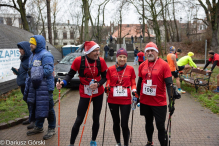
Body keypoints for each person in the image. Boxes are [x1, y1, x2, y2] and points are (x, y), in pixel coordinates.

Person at [56, 41, 108, 146]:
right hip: (85, 93)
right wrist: (63, 82)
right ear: (88, 51)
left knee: (96, 117)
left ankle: (93, 140)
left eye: (98, 50)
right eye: (95, 51)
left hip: (98, 93)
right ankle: (71, 143)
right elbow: (70, 75)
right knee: (79, 119)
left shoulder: (101, 61)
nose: (98, 53)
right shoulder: (78, 61)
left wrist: (98, 84)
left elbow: (105, 76)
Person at [137, 42, 173, 146]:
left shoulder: (164, 65)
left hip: (159, 102)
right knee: (148, 123)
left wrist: (171, 102)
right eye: (147, 51)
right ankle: (149, 142)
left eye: (152, 50)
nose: (150, 53)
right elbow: (140, 81)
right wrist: (137, 97)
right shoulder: (142, 65)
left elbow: (169, 84)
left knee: (160, 125)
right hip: (145, 101)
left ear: (157, 52)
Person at [23, 35, 56, 140]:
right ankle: (39, 126)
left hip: (46, 88)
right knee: (37, 107)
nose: (30, 45)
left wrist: (32, 72)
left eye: (32, 43)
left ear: (38, 44)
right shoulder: (33, 55)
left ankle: (51, 128)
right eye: (30, 43)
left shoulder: (46, 55)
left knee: (49, 109)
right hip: (35, 87)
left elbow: (48, 71)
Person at [105, 48, 137, 146]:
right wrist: (107, 87)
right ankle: (118, 142)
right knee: (116, 122)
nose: (122, 59)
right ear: (116, 57)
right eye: (120, 57)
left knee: (124, 124)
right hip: (112, 99)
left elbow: (133, 83)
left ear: (126, 58)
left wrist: (134, 90)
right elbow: (108, 82)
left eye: (124, 57)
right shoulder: (110, 69)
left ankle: (126, 144)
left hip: (126, 100)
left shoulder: (131, 69)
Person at [12, 41, 34, 128]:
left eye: (21, 49)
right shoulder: (23, 58)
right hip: (23, 85)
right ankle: (30, 118)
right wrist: (18, 71)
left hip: (27, 85)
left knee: (31, 102)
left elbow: (31, 72)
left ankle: (33, 120)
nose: (19, 51)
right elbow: (24, 71)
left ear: (26, 49)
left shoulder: (30, 59)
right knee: (28, 103)